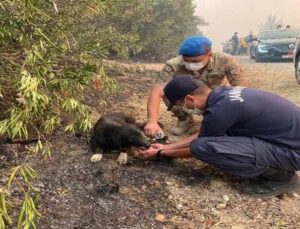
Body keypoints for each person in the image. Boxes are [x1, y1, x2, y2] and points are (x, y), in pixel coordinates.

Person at [139, 76, 300, 197]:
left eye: (181, 105)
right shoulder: (224, 95)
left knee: (201, 148)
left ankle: (282, 178)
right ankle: (277, 167)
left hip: (294, 153)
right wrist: (165, 146)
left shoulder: (221, 109)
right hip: (288, 142)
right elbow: (203, 134)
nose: (184, 109)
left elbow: (198, 145)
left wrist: (162, 153)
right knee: (210, 140)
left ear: (189, 99)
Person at [144, 36, 246, 137]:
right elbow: (157, 91)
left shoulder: (226, 60)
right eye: (186, 60)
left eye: (195, 61)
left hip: (214, 97)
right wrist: (152, 122)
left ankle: (215, 118)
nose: (190, 64)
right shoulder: (173, 64)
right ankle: (185, 119)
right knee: (169, 92)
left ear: (209, 54)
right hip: (189, 96)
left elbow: (241, 89)